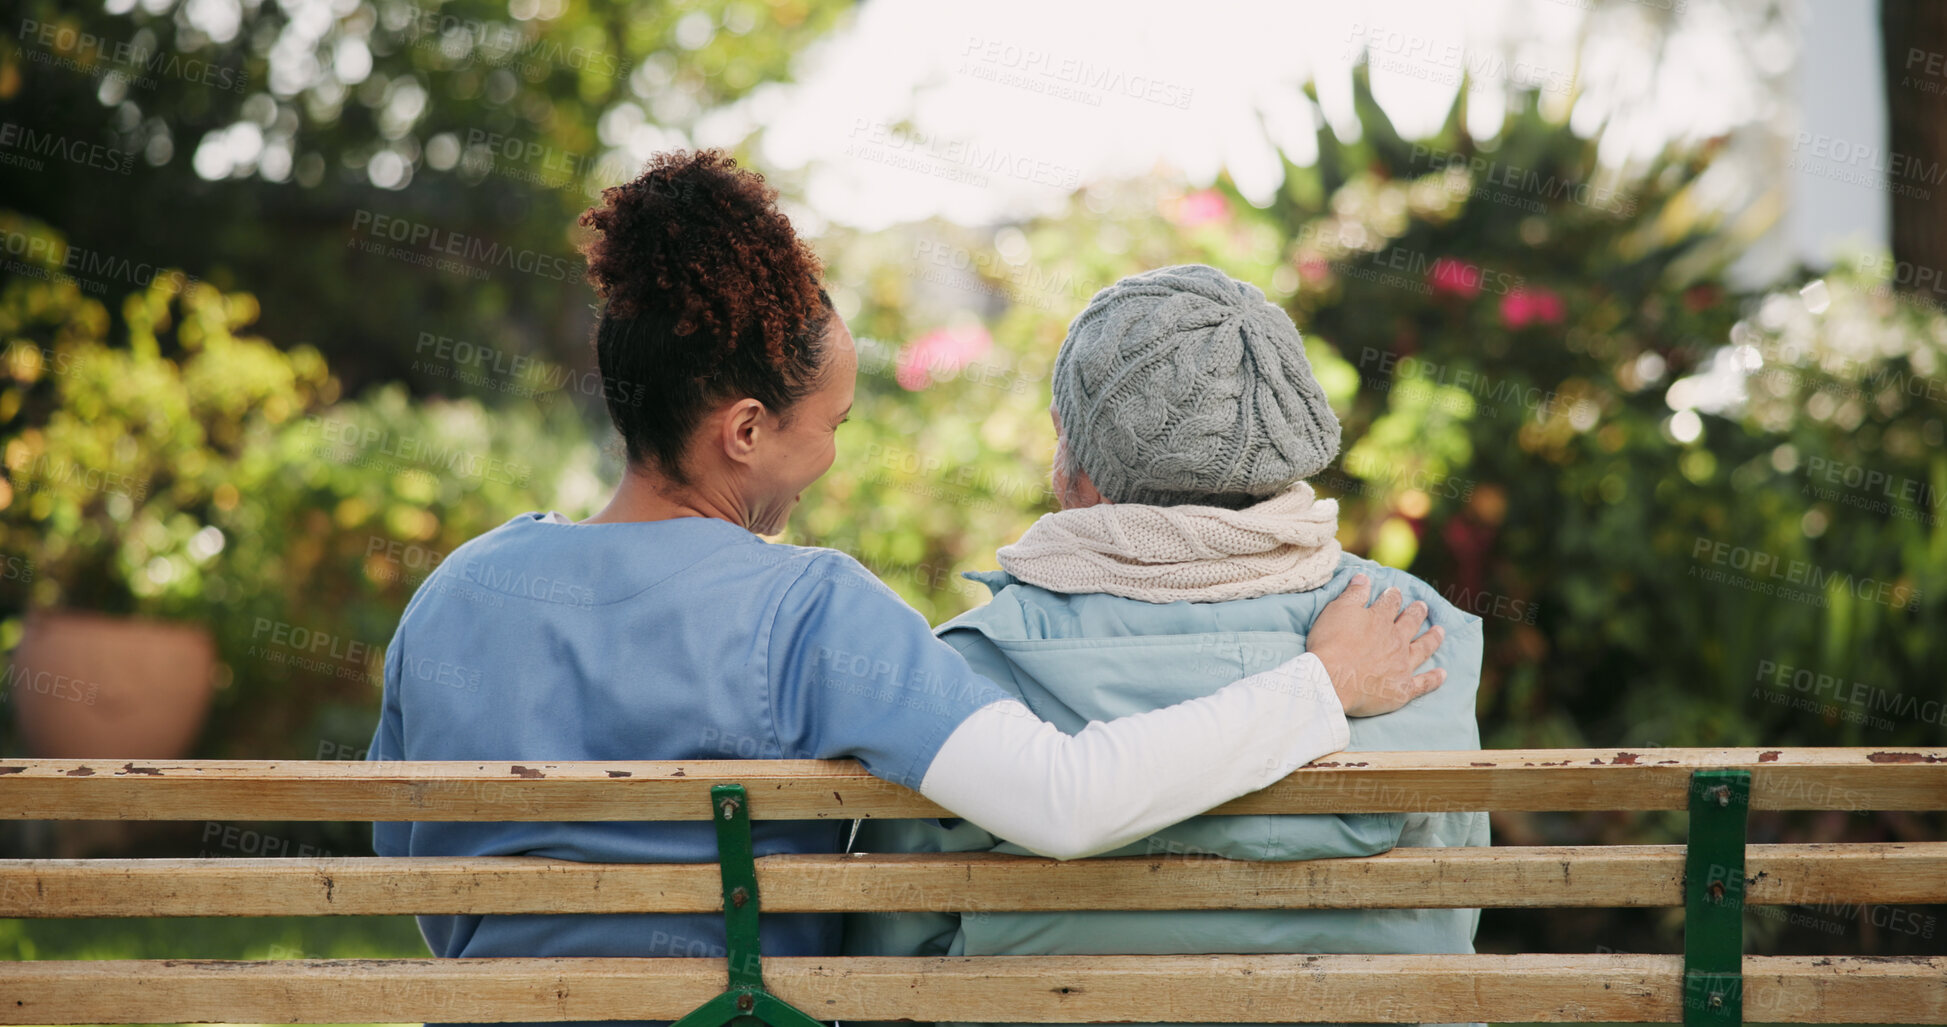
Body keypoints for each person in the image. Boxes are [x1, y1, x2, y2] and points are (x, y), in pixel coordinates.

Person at [365, 154, 1451, 1027]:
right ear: (745, 430)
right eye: (826, 427)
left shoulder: (459, 593)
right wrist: (1321, 684)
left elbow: (412, 862)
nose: (832, 457)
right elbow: (1064, 799)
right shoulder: (809, 612)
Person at [845, 264, 1491, 1027]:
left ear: (1081, 468)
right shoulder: (1404, 628)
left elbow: (895, 949)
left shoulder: (976, 662)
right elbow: (1440, 914)